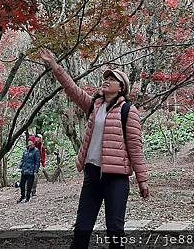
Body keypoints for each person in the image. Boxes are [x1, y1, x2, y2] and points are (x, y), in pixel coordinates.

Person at [39, 49, 150, 249]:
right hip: (92, 174)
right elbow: (72, 89)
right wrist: (55, 66)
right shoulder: (94, 105)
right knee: (82, 228)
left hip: (116, 178)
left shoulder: (128, 111)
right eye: (106, 77)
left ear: (121, 87)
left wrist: (142, 180)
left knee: (115, 230)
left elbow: (135, 148)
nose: (106, 80)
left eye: (112, 79)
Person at [17, 138, 40, 203]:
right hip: (24, 170)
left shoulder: (36, 151)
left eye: (31, 142)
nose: (30, 143)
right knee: (22, 184)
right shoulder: (25, 151)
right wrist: (20, 166)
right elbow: (22, 159)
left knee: (29, 185)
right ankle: (22, 196)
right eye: (29, 142)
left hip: (31, 171)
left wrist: (35, 171)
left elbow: (37, 162)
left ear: (33, 143)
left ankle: (27, 197)